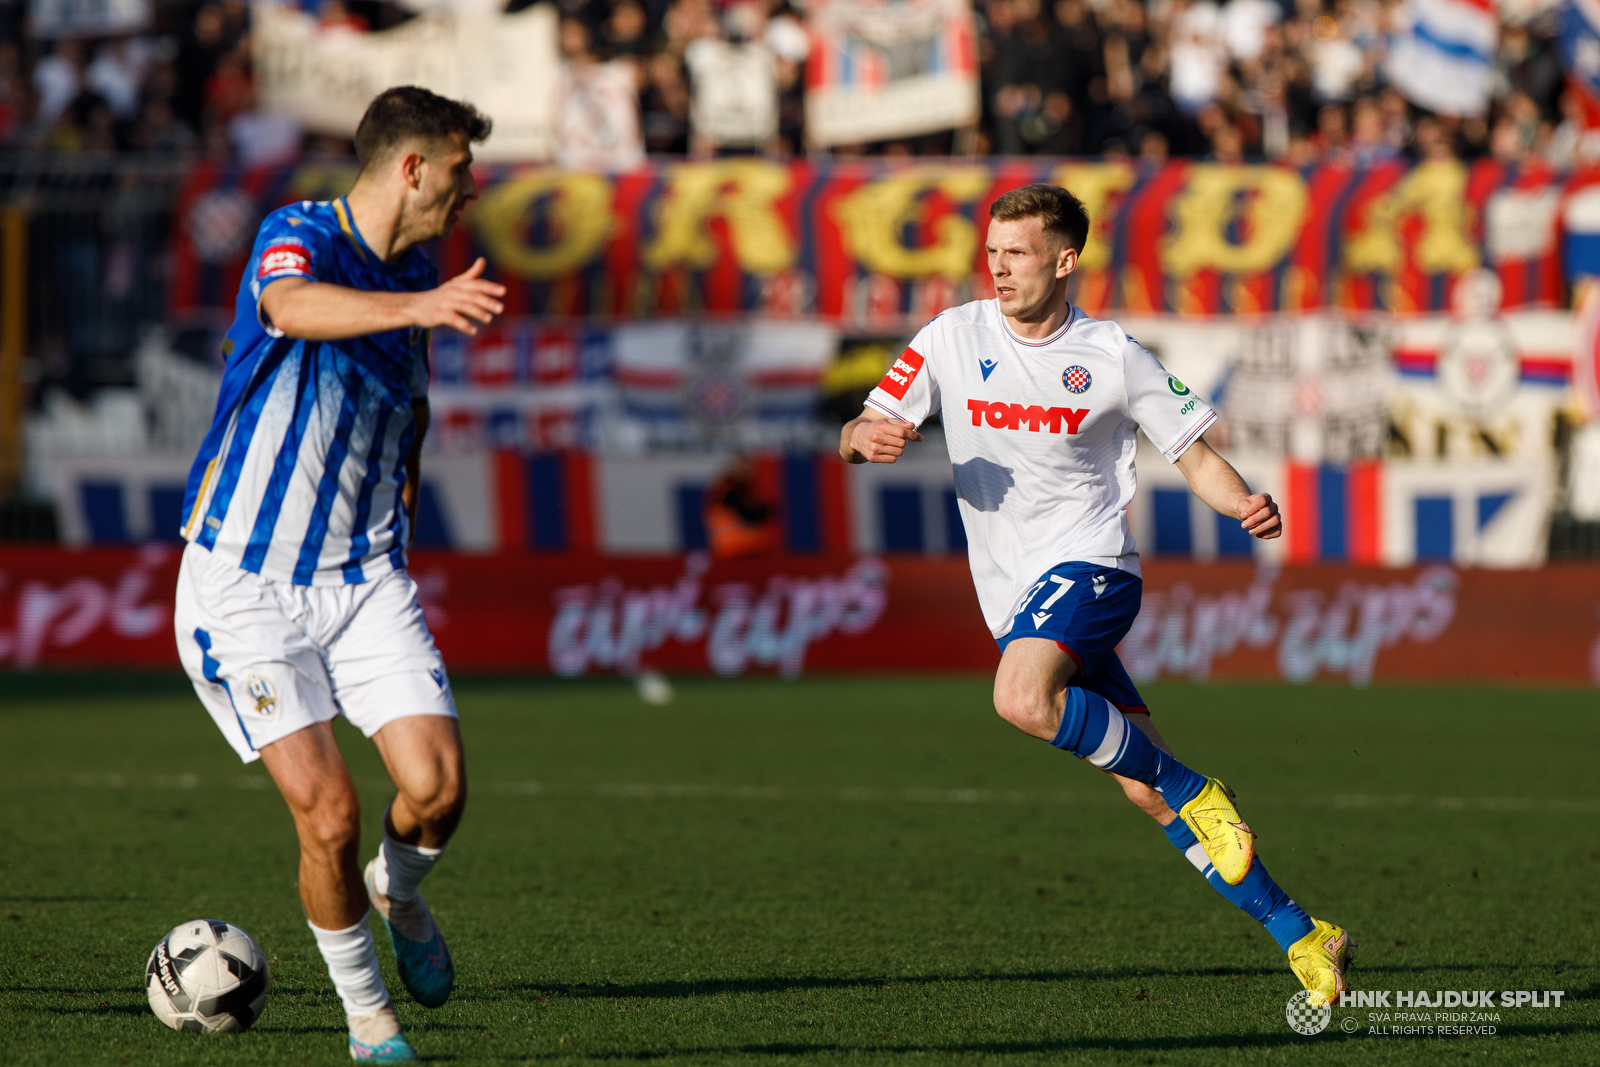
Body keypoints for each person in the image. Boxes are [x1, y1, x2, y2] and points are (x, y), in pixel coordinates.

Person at [839, 183, 1351, 1003]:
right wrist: (865, 437)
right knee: (1144, 794)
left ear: (1064, 259)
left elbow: (1194, 453)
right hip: (1014, 596)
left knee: (1019, 698)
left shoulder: (1112, 354)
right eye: (993, 253)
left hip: (1093, 565)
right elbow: (856, 431)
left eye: (1018, 253)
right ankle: (1303, 931)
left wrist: (1243, 500)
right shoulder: (950, 335)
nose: (999, 269)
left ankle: (1201, 789)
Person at [173, 86, 506, 1062]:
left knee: (437, 788)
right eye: (460, 169)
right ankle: (371, 1025)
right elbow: (288, 307)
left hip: (362, 575)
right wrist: (420, 304)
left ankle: (396, 889)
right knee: (330, 811)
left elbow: (406, 401)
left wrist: (402, 477)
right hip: (245, 580)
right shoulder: (300, 235)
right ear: (412, 167)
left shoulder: (416, 279)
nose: (470, 189)